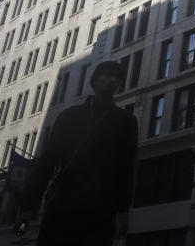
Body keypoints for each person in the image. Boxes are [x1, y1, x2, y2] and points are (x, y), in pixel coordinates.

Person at [16, 60, 138, 246]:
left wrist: (123, 211)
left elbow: (126, 169)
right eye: (108, 75)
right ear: (95, 80)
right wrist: (27, 206)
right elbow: (47, 162)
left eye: (118, 78)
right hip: (63, 204)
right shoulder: (68, 117)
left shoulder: (126, 122)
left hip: (100, 210)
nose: (113, 80)